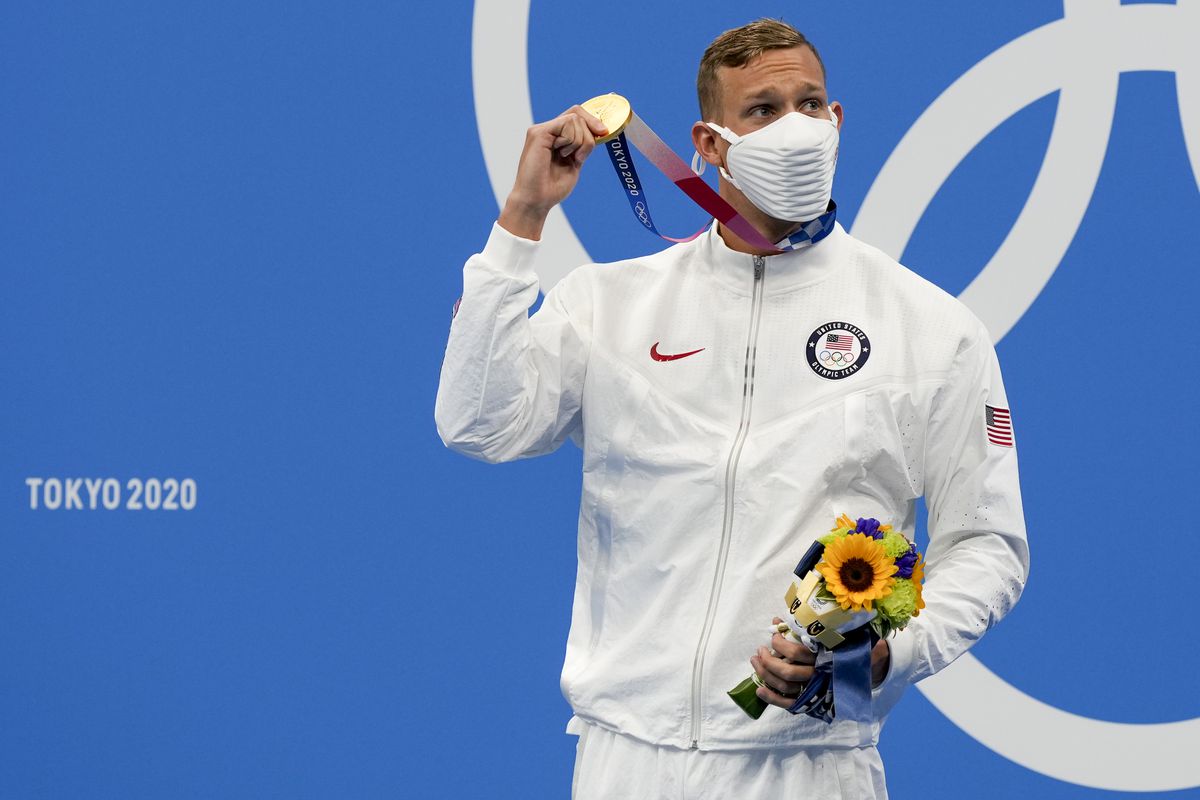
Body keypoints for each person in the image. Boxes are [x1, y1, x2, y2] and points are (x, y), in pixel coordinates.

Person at [435, 18, 1028, 799]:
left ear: (838, 120)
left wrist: (886, 657)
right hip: (625, 758)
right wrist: (522, 220)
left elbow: (987, 545)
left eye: (810, 105)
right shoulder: (611, 305)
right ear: (710, 144)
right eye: (763, 110)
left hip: (809, 763)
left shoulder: (930, 327)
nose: (797, 128)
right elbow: (476, 423)